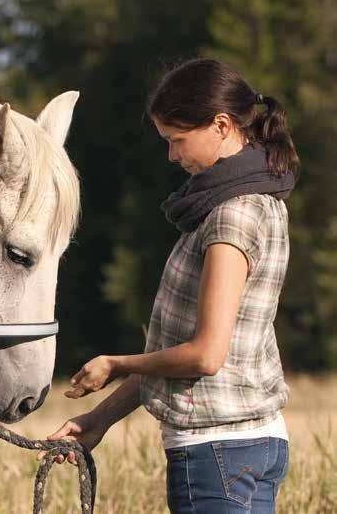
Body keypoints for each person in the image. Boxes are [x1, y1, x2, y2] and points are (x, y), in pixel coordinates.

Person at [39, 58, 299, 513]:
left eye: (176, 140)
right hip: (253, 443)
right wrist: (98, 420)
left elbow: (204, 354)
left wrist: (116, 362)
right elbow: (180, 355)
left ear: (221, 125)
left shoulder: (230, 216)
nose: (172, 155)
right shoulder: (260, 200)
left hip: (214, 451)